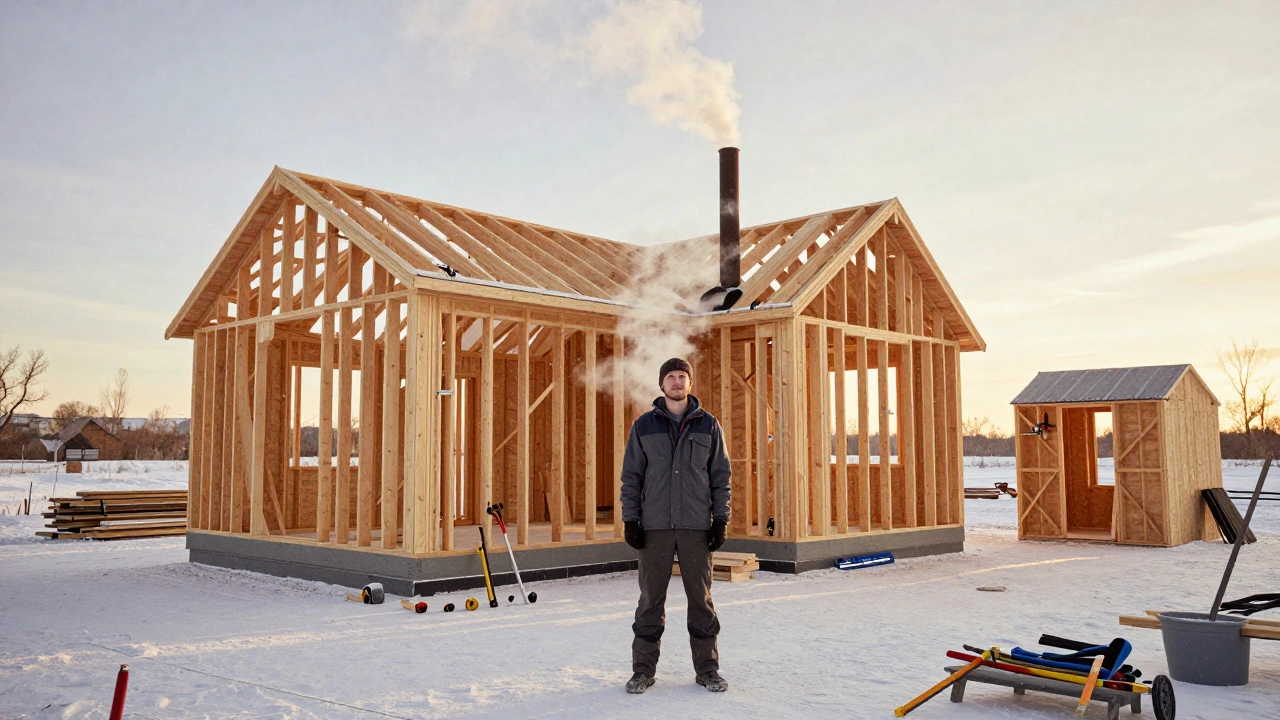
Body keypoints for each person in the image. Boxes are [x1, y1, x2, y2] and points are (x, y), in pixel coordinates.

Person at [619, 357, 732, 694]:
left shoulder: (708, 426)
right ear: (662, 384)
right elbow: (631, 477)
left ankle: (708, 671)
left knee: (701, 600)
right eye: (671, 376)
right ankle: (642, 671)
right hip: (654, 528)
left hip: (696, 527)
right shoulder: (643, 426)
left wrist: (721, 519)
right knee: (651, 600)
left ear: (690, 383)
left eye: (683, 376)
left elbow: (721, 477)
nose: (677, 382)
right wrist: (630, 519)